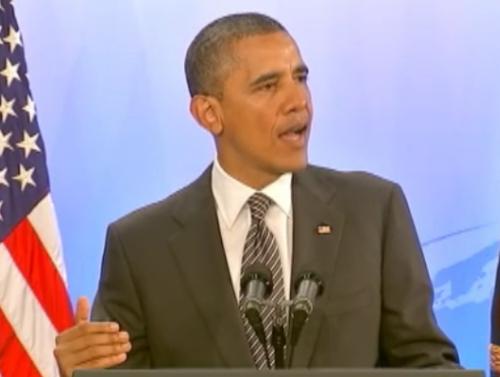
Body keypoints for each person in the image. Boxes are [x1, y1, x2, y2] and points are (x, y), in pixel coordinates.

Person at [54, 12, 460, 377]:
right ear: (209, 114)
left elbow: (425, 363)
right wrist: (86, 373)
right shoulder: (140, 245)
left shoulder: (373, 210)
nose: (297, 100)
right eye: (268, 86)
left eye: (300, 78)